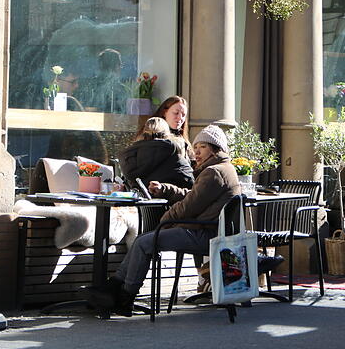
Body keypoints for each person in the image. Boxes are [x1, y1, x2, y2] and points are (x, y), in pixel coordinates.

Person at [88, 124, 240, 315]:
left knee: (144, 242)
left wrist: (165, 221)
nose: (197, 152)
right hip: (209, 230)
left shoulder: (214, 172)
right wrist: (166, 189)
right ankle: (114, 289)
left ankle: (125, 297)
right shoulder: (223, 169)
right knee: (145, 240)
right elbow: (193, 195)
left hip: (204, 233)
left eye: (202, 147)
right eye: (196, 147)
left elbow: (188, 206)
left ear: (215, 148)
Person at [119, 117, 194, 189]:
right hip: (170, 201)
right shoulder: (176, 157)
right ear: (168, 134)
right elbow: (190, 185)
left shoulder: (131, 157)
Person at [153, 96, 195, 167]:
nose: (180, 118)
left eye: (183, 115)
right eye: (176, 113)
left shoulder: (184, 140)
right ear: (164, 112)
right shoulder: (151, 136)